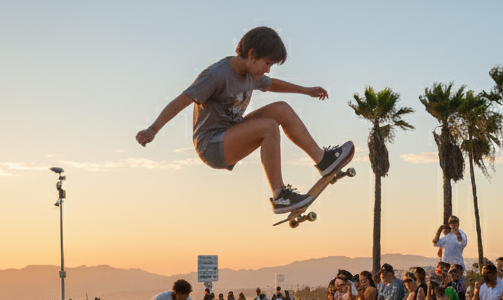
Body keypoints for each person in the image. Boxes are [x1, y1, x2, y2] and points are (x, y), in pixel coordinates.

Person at [135, 26, 354, 214]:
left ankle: (323, 160)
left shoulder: (252, 74)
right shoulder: (216, 75)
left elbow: (273, 84)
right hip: (211, 146)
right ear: (251, 54)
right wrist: (153, 129)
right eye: (267, 63)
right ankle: (280, 196)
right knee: (269, 127)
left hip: (233, 131)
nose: (267, 69)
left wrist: (306, 90)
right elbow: (181, 101)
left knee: (282, 109)